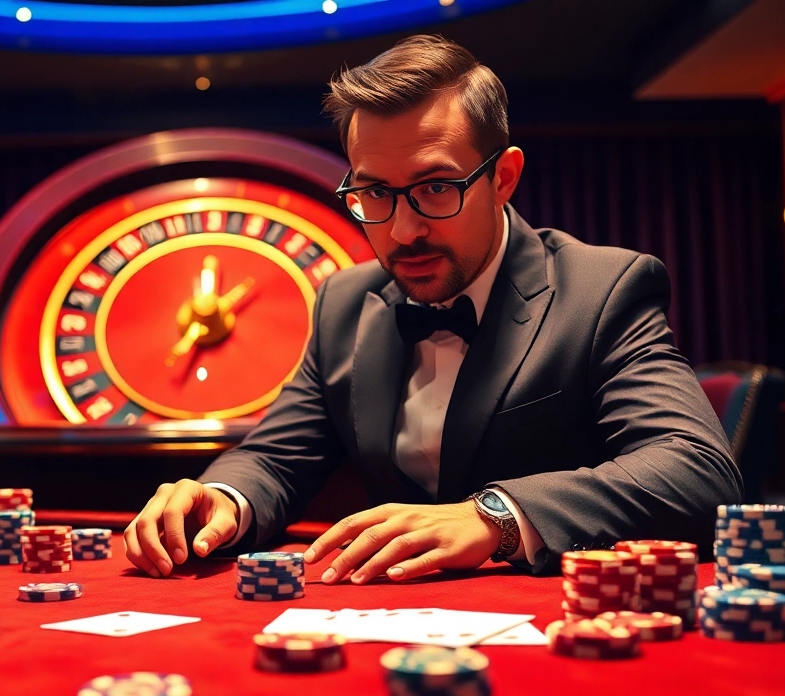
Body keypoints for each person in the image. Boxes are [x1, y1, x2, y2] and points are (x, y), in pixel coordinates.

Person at [124, 34, 742, 582]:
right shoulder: (345, 303)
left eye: (436, 188)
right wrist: (222, 499)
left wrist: (496, 517)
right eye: (373, 193)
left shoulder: (602, 290)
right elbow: (276, 457)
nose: (403, 231)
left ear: (503, 178)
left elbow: (696, 471)